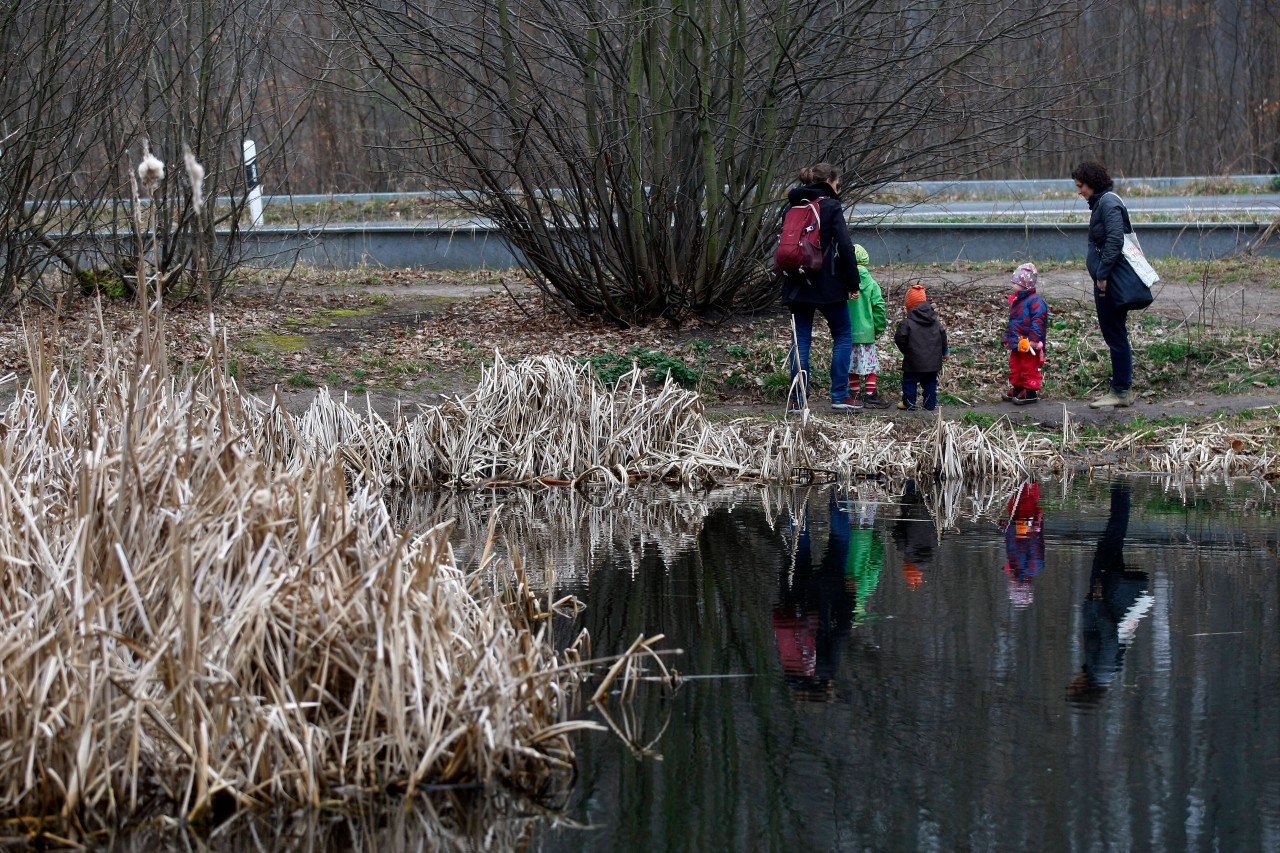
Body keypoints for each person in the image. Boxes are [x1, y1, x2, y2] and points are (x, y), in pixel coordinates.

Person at [779, 163, 860, 413]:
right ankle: (839, 395)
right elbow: (845, 247)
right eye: (838, 184)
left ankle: (798, 400)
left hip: (796, 283)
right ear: (830, 182)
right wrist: (853, 282)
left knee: (800, 339)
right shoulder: (831, 206)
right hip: (828, 285)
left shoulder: (793, 206)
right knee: (843, 334)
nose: (839, 189)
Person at [1066, 482, 1154, 706]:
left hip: (1105, 597)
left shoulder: (1100, 672)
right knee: (1113, 537)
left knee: (1112, 539)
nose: (1073, 681)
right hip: (1106, 595)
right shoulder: (1102, 669)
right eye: (1074, 687)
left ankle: (1121, 490)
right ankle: (1122, 488)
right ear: (1082, 689)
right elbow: (1109, 636)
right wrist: (1097, 601)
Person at [772, 491, 856, 701]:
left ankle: (840, 490)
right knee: (800, 543)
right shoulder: (790, 667)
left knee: (841, 541)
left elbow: (841, 631)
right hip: (797, 595)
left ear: (825, 689)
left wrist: (849, 598)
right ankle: (798, 495)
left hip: (826, 594)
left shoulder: (825, 668)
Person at [1072, 161, 1134, 408]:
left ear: (1092, 183)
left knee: (1115, 335)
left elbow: (1115, 240)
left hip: (1110, 282)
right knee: (1116, 334)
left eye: (1081, 186)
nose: (1079, 191)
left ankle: (1120, 391)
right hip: (1107, 280)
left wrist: (1103, 276)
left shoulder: (1107, 203)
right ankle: (1120, 388)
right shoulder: (1103, 202)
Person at [846, 244, 889, 409]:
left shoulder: (844, 282)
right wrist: (878, 328)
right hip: (867, 333)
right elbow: (879, 306)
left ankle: (854, 394)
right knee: (870, 365)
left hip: (847, 332)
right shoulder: (871, 283)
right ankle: (871, 395)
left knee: (851, 365)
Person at [893, 284, 948, 411]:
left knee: (909, 382)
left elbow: (899, 338)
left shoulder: (907, 323)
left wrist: (906, 350)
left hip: (914, 361)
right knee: (930, 383)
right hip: (933, 362)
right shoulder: (935, 322)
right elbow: (943, 336)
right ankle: (930, 404)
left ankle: (909, 403)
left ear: (910, 306)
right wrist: (945, 351)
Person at [1001, 262, 1049, 406]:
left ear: (1025, 285)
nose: (1013, 286)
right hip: (1017, 342)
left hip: (1029, 344)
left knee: (1028, 367)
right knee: (1015, 365)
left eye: (1015, 283)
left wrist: (1033, 340)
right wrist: (1006, 337)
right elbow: (1014, 322)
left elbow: (1038, 322)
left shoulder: (1035, 302)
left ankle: (1030, 391)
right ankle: (1018, 387)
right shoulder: (1018, 301)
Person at [1000, 482, 1045, 608]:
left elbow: (1011, 545)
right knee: (1025, 499)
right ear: (1019, 586)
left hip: (1018, 524)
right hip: (1025, 523)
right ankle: (1027, 476)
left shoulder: (1016, 569)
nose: (1010, 584)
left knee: (1015, 500)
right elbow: (1033, 541)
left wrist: (1006, 529)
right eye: (1013, 587)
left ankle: (1020, 477)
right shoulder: (1032, 566)